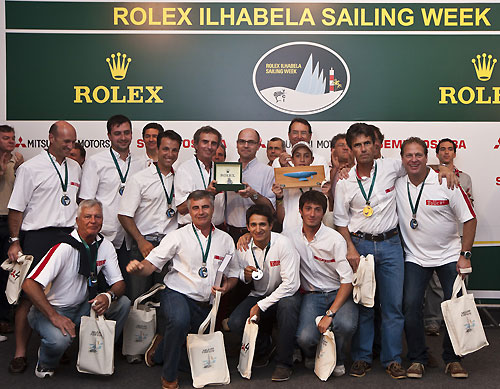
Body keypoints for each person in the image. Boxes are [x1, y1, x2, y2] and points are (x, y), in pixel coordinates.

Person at [126, 190, 235, 389]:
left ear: (213, 209)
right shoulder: (176, 236)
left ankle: (159, 349)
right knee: (179, 321)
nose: (201, 212)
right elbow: (150, 264)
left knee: (192, 360)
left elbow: (234, 274)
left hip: (205, 303)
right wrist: (140, 268)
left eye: (205, 207)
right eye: (195, 208)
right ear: (189, 212)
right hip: (177, 294)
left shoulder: (226, 240)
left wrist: (227, 286)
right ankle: (168, 376)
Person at [396, 137, 476, 379]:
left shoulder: (446, 181)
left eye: (418, 155)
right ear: (402, 159)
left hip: (449, 255)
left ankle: (453, 359)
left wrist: (465, 255)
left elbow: (470, 219)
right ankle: (418, 358)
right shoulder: (397, 184)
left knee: (454, 308)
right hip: (415, 257)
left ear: (426, 156)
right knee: (410, 307)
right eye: (408, 155)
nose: (413, 159)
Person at [22, 200, 130, 378]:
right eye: (87, 216)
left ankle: (95, 351)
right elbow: (29, 284)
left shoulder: (105, 245)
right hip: (53, 309)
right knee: (58, 341)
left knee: (124, 304)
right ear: (77, 220)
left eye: (97, 217)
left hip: (83, 306)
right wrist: (55, 317)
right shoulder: (63, 247)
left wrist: (108, 295)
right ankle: (45, 362)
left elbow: (119, 284)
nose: (93, 221)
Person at [333, 123, 408, 379]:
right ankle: (362, 358)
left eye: (367, 143)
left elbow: (418, 165)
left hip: (390, 245)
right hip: (360, 247)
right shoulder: (344, 181)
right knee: (364, 305)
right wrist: (351, 249)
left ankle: (392, 359)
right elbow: (341, 222)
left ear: (375, 145)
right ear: (351, 149)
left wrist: (445, 170)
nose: (363, 149)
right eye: (357, 145)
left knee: (392, 306)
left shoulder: (390, 167)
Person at [7, 121, 80, 374]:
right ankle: (19, 353)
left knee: (62, 295)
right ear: (50, 138)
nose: (70, 146)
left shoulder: (75, 167)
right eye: (65, 141)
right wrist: (14, 241)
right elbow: (16, 209)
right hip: (38, 237)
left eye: (73, 141)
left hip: (68, 238)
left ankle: (57, 346)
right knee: (28, 297)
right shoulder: (30, 168)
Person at [226, 204, 300, 381]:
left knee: (288, 307)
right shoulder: (243, 248)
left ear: (271, 225)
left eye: (262, 225)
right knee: (235, 323)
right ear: (248, 227)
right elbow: (236, 273)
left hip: (285, 294)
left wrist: (261, 305)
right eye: (253, 225)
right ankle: (265, 347)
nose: (258, 229)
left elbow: (291, 284)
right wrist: (245, 276)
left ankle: (284, 363)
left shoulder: (283, 244)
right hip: (259, 295)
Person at [291, 190, 358, 377]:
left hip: (339, 292)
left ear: (324, 213)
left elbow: (347, 280)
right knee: (305, 338)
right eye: (308, 209)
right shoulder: (290, 236)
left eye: (318, 210)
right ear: (300, 211)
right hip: (312, 295)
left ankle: (338, 359)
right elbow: (270, 243)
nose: (312, 214)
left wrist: (330, 314)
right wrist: (246, 237)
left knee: (344, 325)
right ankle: (313, 355)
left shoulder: (335, 238)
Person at [79, 114, 146, 294]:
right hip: (102, 236)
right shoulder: (95, 162)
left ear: (132, 135)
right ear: (109, 136)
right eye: (117, 133)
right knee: (98, 288)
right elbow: (86, 201)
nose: (123, 138)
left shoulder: (141, 164)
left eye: (126, 133)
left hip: (129, 239)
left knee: (125, 289)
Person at [118, 130, 182, 301]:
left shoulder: (181, 179)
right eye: (166, 149)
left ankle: (161, 329)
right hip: (143, 246)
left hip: (169, 247)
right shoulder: (140, 179)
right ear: (157, 149)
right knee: (139, 300)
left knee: (164, 297)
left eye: (174, 150)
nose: (169, 154)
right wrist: (141, 241)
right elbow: (124, 215)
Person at [424, 138, 474, 336]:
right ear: (437, 154)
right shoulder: (431, 175)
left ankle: (458, 322)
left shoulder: (465, 178)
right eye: (442, 149)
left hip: (459, 234)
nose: (446, 152)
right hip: (437, 235)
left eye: (450, 149)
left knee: (459, 280)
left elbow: (469, 209)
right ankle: (433, 320)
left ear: (455, 153)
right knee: (435, 282)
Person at [226, 128, 275, 242]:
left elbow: (271, 209)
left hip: (256, 234)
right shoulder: (226, 170)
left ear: (258, 146)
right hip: (228, 232)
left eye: (251, 142)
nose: (246, 145)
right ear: (237, 144)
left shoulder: (268, 171)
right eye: (242, 141)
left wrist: (253, 195)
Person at [174, 126, 224, 228]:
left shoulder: (221, 171)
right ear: (195, 144)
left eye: (213, 143)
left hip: (217, 230)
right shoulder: (184, 170)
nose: (209, 147)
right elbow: (181, 209)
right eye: (205, 142)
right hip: (191, 230)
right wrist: (208, 193)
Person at [0, 125, 23, 336]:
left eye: (13, 137)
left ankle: (4, 319)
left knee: (8, 272)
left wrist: (15, 165)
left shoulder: (17, 160)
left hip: (10, 220)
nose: (11, 141)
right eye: (6, 138)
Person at [272, 141, 321, 234]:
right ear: (292, 160)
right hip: (289, 232)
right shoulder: (284, 182)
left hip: (314, 233)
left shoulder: (318, 180)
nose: (302, 159)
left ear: (312, 159)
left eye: (306, 156)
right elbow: (281, 218)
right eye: (298, 156)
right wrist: (279, 197)